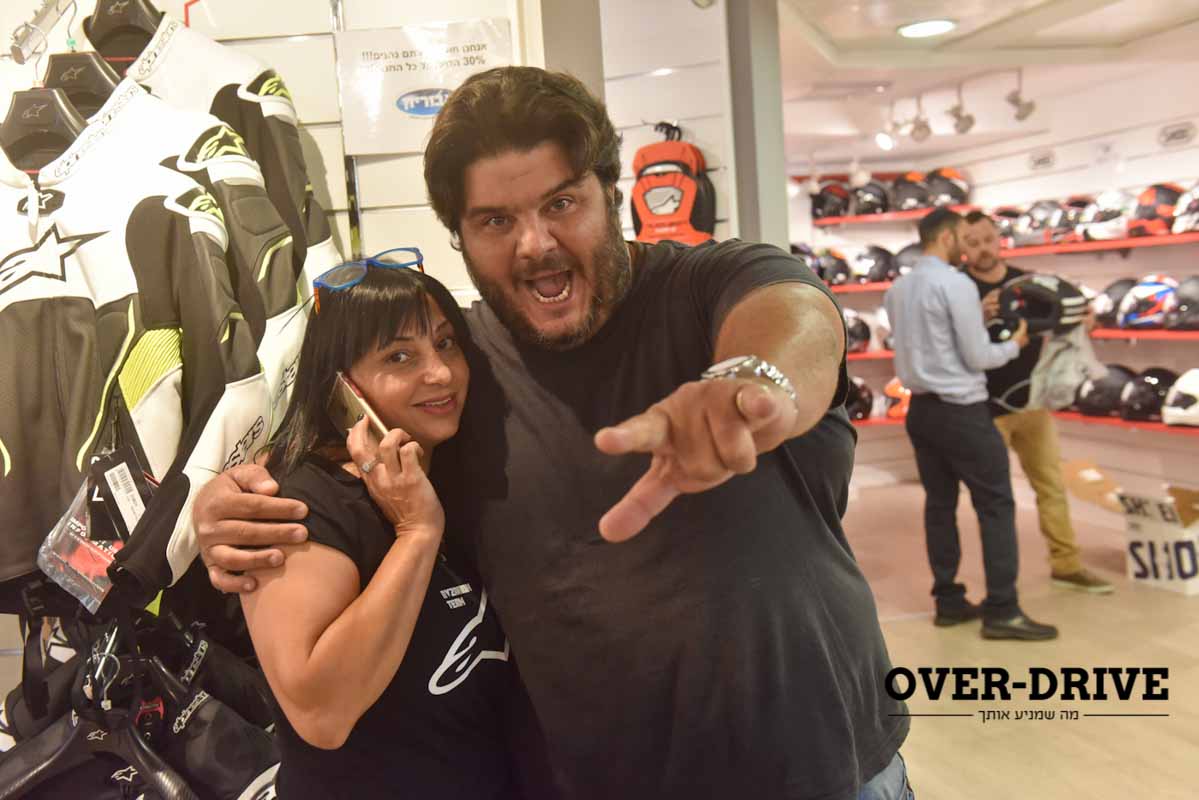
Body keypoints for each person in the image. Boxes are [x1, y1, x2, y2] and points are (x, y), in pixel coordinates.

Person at [192, 67, 913, 799]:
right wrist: (235, 497)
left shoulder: (710, 287)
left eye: (561, 203)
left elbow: (796, 320)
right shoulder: (462, 368)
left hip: (816, 774)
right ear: (460, 238)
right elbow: (336, 446)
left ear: (612, 195)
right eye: (495, 221)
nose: (535, 244)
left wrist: (749, 383)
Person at [239, 256, 520, 798]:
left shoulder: (452, 469)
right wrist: (417, 534)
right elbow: (321, 712)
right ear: (341, 386)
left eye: (445, 343)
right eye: (399, 356)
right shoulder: (300, 503)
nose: (440, 373)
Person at [884, 208, 1058, 641]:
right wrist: (1016, 343)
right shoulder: (955, 282)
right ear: (946, 237)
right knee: (996, 505)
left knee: (939, 506)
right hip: (962, 411)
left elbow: (930, 338)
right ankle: (1003, 609)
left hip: (921, 412)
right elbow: (978, 356)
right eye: (964, 237)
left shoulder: (899, 288)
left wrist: (974, 314)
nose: (968, 246)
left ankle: (948, 602)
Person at [959, 210, 1113, 594]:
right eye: (973, 243)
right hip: (986, 408)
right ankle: (1002, 587)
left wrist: (1084, 320)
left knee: (1051, 486)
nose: (982, 249)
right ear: (961, 246)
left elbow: (1074, 320)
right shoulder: (958, 288)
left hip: (1033, 404)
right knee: (996, 500)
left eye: (987, 240)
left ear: (999, 238)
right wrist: (976, 316)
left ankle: (1067, 564)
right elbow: (951, 344)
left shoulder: (1028, 283)